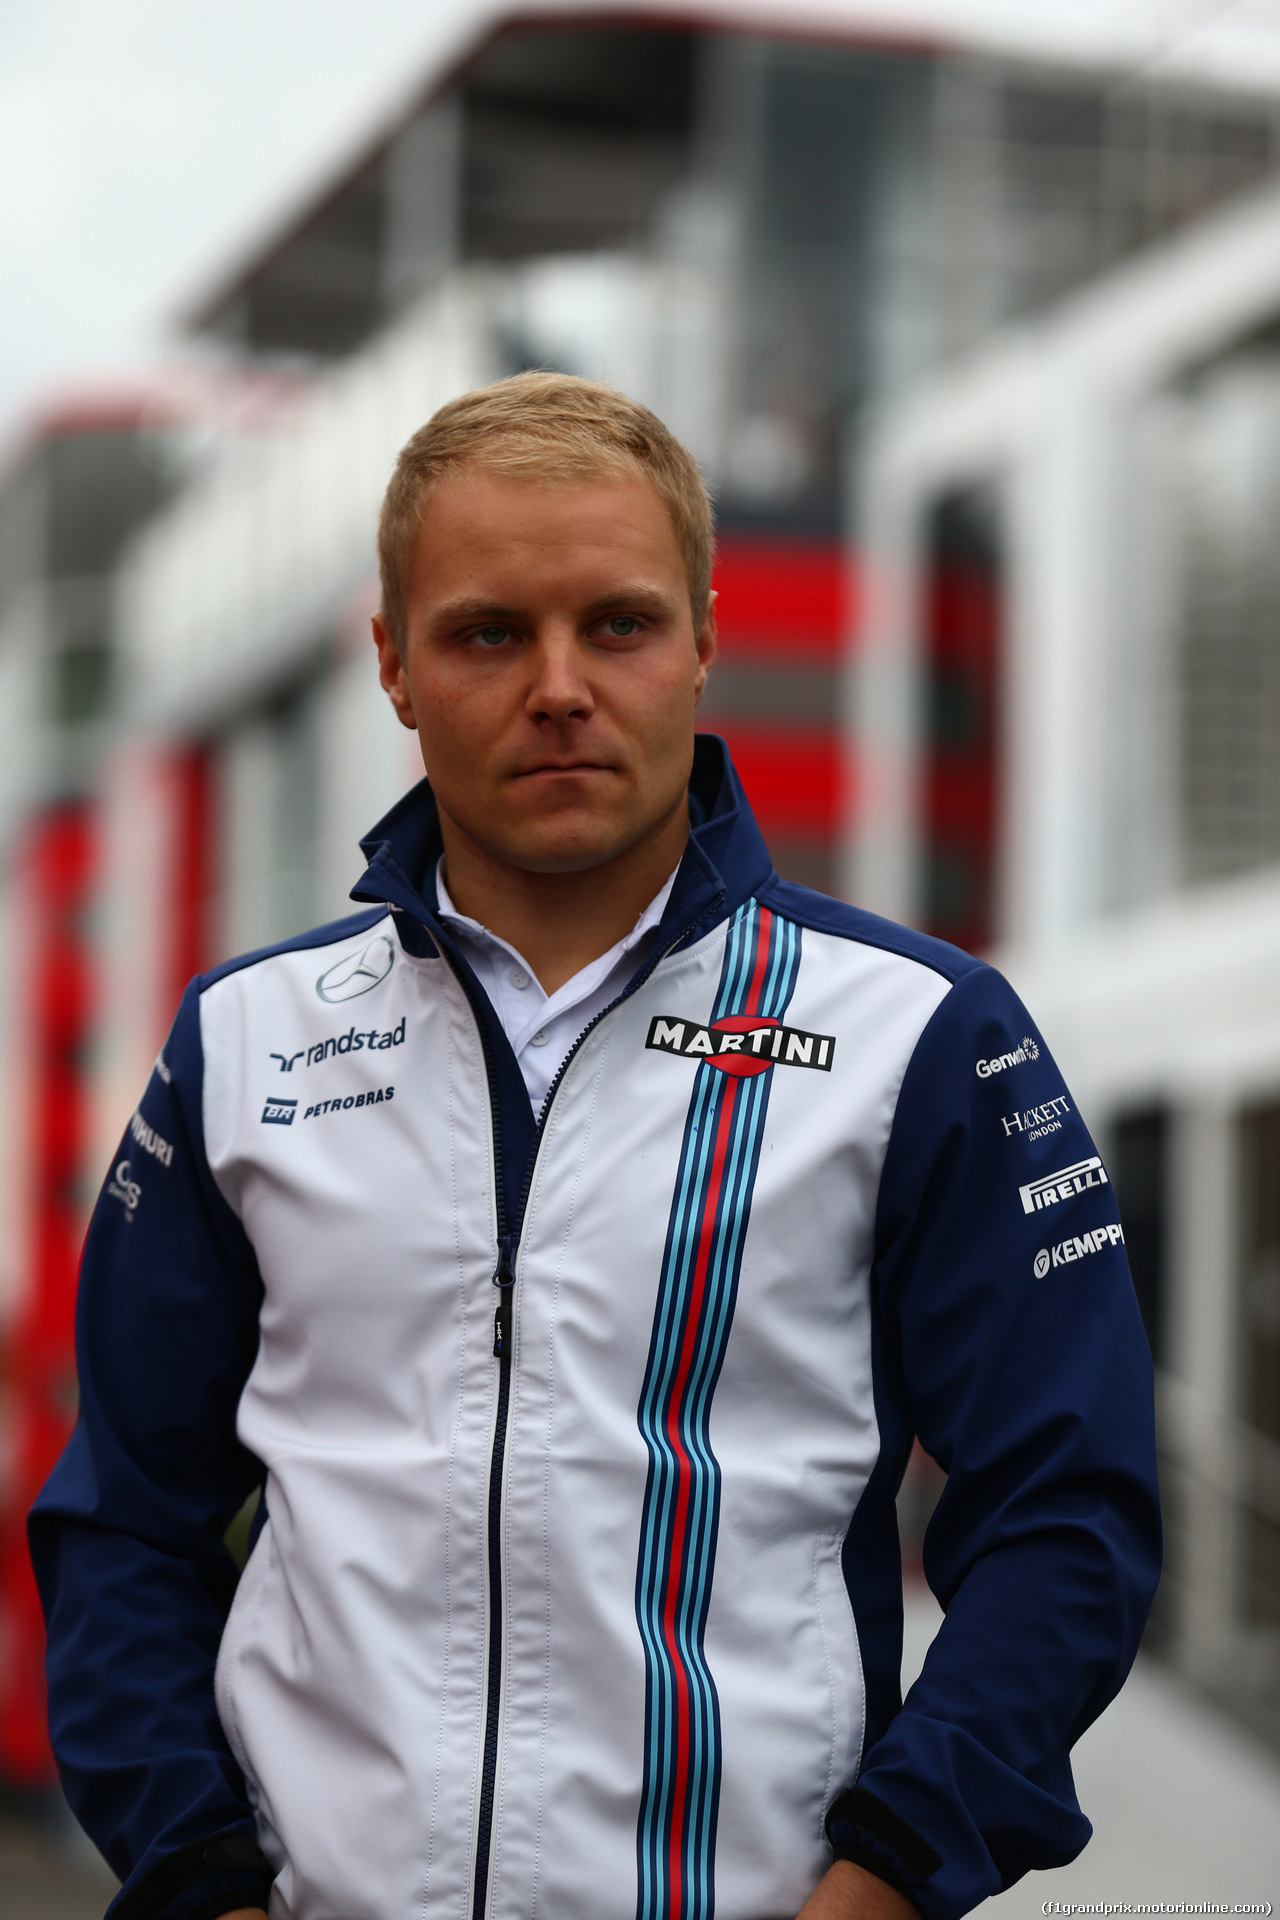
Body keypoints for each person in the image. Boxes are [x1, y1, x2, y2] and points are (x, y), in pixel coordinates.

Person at [30, 373, 1160, 1920]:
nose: (558, 684)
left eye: (616, 625)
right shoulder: (246, 1039)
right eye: (489, 631)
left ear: (704, 637)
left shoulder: (925, 1034)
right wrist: (195, 1877)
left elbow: (1069, 1515)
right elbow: (122, 1522)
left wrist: (891, 1879)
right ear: (394, 665)